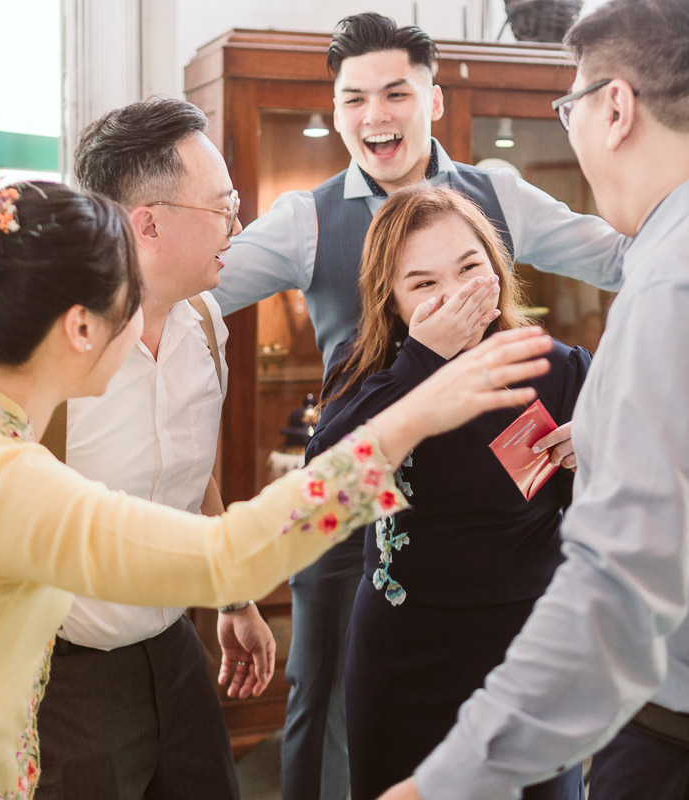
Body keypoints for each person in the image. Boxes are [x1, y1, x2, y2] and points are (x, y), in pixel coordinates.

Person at [0, 181, 555, 800]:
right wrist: (416, 411)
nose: (147, 319)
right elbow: (230, 559)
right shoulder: (3, 483)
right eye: (130, 302)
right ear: (82, 330)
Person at [377, 1, 689, 799]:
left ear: (615, 107)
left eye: (568, 106)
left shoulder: (683, 280)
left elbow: (615, 593)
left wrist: (448, 781)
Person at [209, 14, 628, 798]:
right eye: (354, 98)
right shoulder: (308, 216)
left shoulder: (495, 193)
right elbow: (200, 289)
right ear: (335, 111)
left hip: (500, 507)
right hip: (359, 488)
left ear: (434, 100)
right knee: (323, 693)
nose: (376, 115)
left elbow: (614, 257)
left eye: (397, 92)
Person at [305, 186, 589, 800]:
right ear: (394, 303)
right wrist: (425, 361)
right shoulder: (369, 375)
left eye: (468, 268)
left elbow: (620, 511)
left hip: (529, 654)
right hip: (405, 657)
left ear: (496, 266)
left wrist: (597, 452)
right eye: (424, 285)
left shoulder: (556, 368)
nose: (455, 294)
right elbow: (324, 494)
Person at [30, 98, 270, 800]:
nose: (239, 224)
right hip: (69, 676)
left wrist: (234, 599)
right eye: (223, 206)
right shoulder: (48, 351)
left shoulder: (205, 322)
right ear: (148, 222)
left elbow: (196, 470)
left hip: (175, 645)